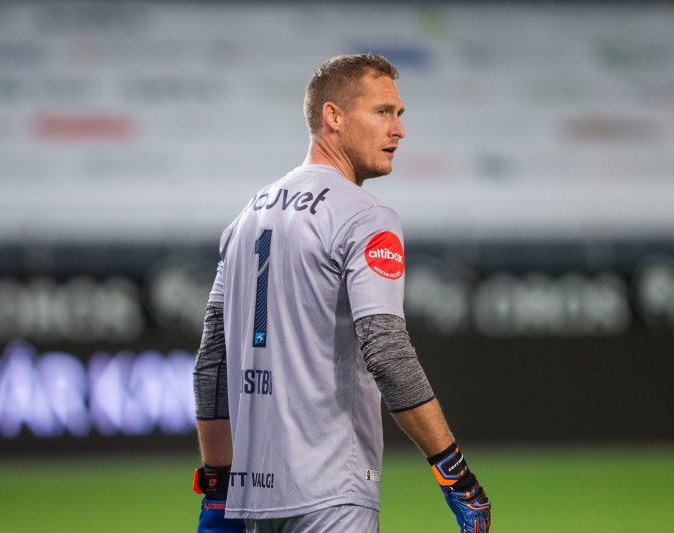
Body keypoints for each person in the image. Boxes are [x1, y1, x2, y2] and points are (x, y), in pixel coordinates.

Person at [193, 53, 491, 533]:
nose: (399, 131)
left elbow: (213, 362)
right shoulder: (366, 217)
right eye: (382, 112)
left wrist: (217, 487)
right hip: (332, 493)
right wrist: (454, 473)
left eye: (399, 115)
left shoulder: (244, 220)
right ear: (332, 116)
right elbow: (388, 352)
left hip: (249, 502)